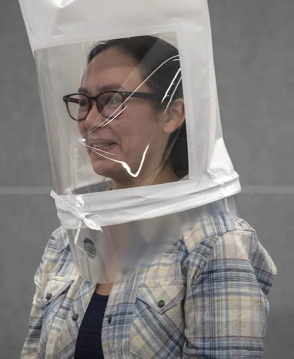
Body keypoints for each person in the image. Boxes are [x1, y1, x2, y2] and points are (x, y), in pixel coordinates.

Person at [22, 36, 277, 358]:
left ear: (172, 114)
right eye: (84, 102)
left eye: (113, 99)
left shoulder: (215, 243)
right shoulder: (66, 241)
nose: (89, 120)